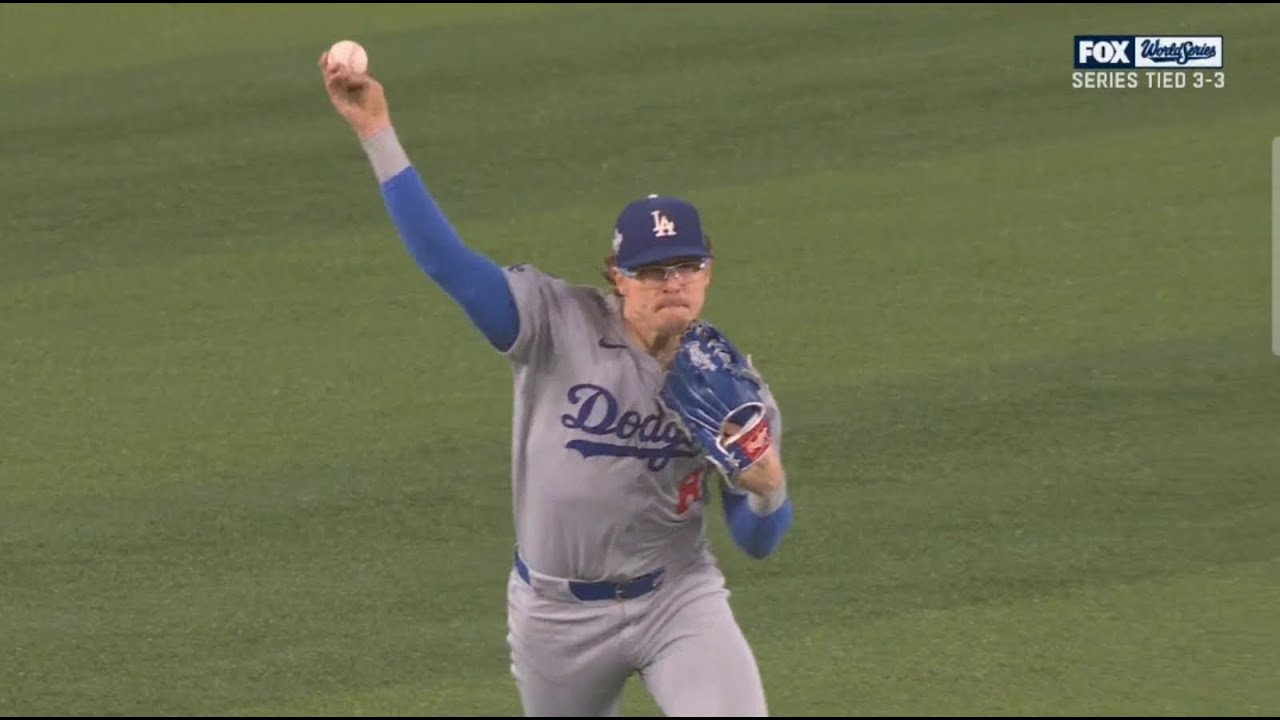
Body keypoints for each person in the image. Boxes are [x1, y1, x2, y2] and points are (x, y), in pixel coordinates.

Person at [319, 51, 796, 717]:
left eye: (687, 266)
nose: (673, 282)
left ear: (709, 272)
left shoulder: (731, 386)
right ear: (617, 275)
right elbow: (447, 264)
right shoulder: (551, 322)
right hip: (556, 617)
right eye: (654, 270)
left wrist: (769, 490)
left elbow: (758, 541)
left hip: (677, 599)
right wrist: (377, 130)